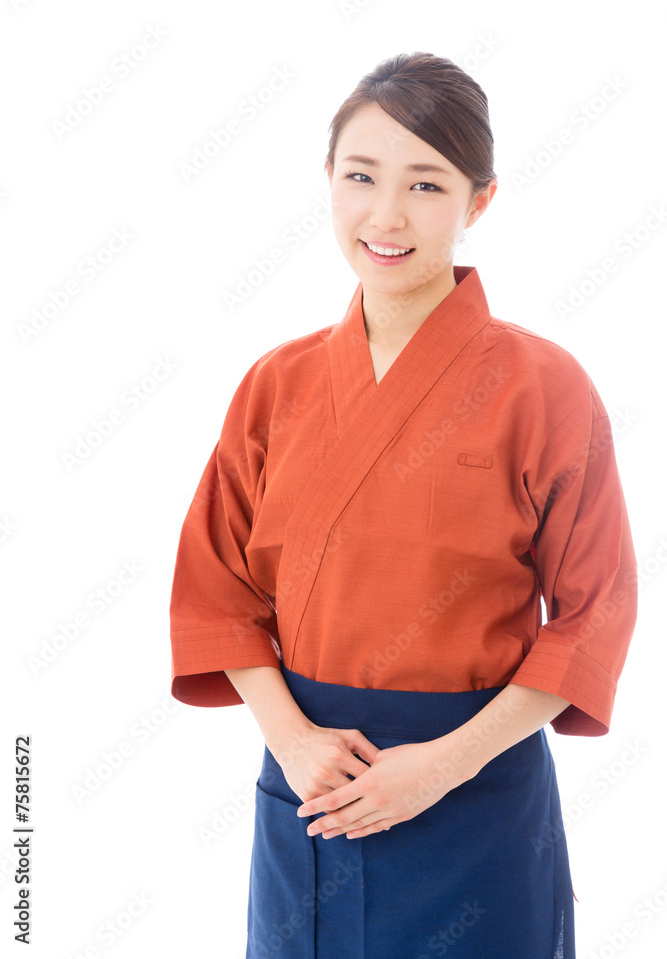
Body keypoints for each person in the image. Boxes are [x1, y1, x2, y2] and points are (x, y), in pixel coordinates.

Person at [169, 52, 638, 959]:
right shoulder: (277, 384)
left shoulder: (544, 387)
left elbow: (592, 613)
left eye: (426, 183)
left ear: (478, 202)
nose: (386, 216)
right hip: (312, 782)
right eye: (361, 177)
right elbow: (216, 594)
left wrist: (444, 765)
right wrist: (293, 741)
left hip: (476, 793)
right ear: (330, 184)